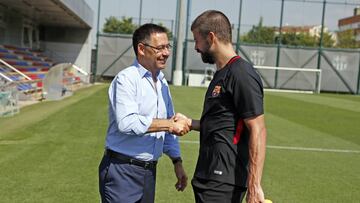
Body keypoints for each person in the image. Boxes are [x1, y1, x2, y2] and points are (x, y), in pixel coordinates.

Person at [175, 10, 267, 203]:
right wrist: (190, 123)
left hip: (224, 180)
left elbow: (258, 129)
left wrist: (254, 185)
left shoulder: (242, 73)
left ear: (211, 37)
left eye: (196, 40)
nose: (196, 47)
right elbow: (221, 121)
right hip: (209, 176)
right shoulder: (221, 73)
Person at [98, 23, 189, 203]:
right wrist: (170, 124)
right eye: (160, 48)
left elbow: (168, 124)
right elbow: (127, 123)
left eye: (167, 46)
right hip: (122, 171)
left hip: (148, 173)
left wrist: (177, 162)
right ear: (141, 48)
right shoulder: (126, 79)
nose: (166, 53)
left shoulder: (162, 83)